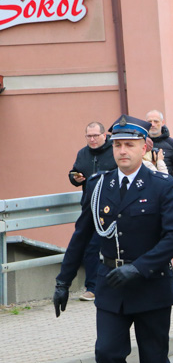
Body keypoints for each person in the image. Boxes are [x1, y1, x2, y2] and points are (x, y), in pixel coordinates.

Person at [53, 115, 173, 363]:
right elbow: (82, 233)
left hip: (150, 286)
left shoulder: (161, 186)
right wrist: (63, 281)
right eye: (117, 145)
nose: (122, 151)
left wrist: (139, 268)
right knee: (107, 354)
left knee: (154, 360)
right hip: (110, 286)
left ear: (146, 147)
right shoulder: (99, 185)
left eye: (129, 145)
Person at [69, 121, 116, 302]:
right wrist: (75, 177)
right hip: (90, 208)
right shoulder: (83, 153)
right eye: (89, 136)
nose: (93, 139)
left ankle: (115, 284)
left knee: (113, 247)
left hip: (112, 208)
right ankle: (92, 287)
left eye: (96, 135)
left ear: (104, 135)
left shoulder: (114, 151)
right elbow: (74, 174)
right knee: (90, 247)